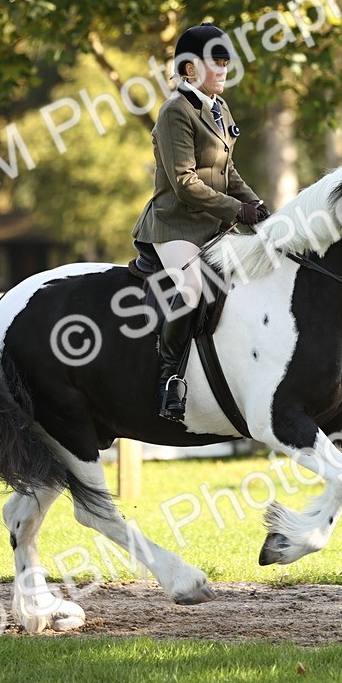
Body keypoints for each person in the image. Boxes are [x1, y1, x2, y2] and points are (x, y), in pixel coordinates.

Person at [131, 22, 269, 422]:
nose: (224, 70)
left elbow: (228, 172)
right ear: (190, 69)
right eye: (216, 63)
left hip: (213, 224)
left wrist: (256, 205)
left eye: (227, 63)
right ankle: (169, 380)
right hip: (174, 226)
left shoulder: (218, 108)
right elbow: (185, 183)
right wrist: (235, 210)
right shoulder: (176, 111)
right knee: (193, 288)